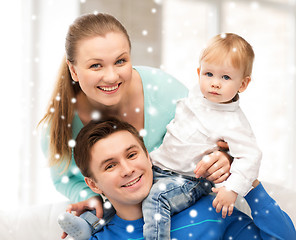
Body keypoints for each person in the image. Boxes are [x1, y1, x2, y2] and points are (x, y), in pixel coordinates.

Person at [39, 13, 231, 239]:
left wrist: (225, 157)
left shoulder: (167, 93)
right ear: (73, 70)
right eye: (95, 66)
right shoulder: (59, 126)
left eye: (120, 61)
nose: (111, 76)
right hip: (123, 214)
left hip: (181, 204)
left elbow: (219, 137)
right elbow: (65, 178)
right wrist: (89, 197)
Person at [73, 117, 296, 240]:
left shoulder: (212, 210)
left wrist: (247, 181)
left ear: (149, 157)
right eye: (110, 165)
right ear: (93, 184)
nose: (127, 169)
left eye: (132, 155)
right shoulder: (99, 237)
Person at [131, 32, 262, 239]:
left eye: (226, 77)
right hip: (158, 166)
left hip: (189, 180)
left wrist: (232, 189)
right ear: (199, 72)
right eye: (209, 74)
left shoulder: (233, 122)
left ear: (243, 84)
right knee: (126, 191)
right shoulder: (196, 94)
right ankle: (89, 222)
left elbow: (251, 156)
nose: (215, 83)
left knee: (156, 198)